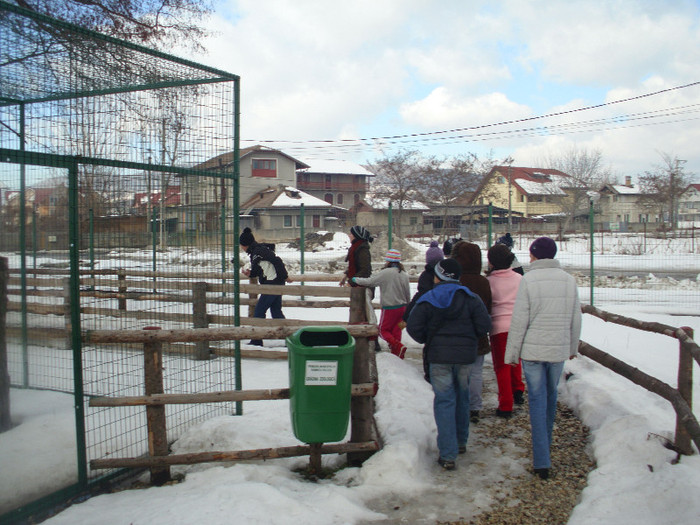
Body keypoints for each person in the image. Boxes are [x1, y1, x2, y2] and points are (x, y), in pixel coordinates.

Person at [505, 236, 582, 480]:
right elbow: (575, 317)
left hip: (532, 352)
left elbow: (519, 320)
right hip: (557, 349)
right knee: (550, 397)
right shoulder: (569, 281)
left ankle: (541, 460)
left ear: (535, 255)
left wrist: (512, 353)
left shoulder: (529, 280)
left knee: (537, 400)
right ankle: (545, 448)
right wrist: (572, 346)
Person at [406, 259, 492, 471]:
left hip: (439, 357)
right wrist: (469, 338)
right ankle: (461, 441)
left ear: (439, 276)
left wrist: (428, 338)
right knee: (462, 396)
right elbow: (484, 326)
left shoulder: (428, 298)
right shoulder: (471, 298)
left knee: (444, 401)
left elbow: (413, 326)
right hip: (465, 357)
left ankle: (448, 454)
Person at [450, 241, 492, 424]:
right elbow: (488, 308)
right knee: (476, 372)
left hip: (457, 336)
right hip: (478, 335)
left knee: (459, 374)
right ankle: (475, 407)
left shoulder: (454, 281)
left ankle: (461, 405)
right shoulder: (483, 282)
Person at [486, 243, 525, 419]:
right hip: (517, 326)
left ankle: (505, 405)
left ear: (491, 262)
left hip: (498, 328)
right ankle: (518, 390)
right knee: (515, 360)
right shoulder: (519, 279)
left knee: (501, 367)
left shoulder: (489, 282)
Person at [352, 249, 411, 358]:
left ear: (388, 261)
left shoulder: (385, 273)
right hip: (402, 308)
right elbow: (407, 293)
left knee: (382, 330)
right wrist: (408, 306)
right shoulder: (404, 274)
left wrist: (355, 280)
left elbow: (370, 281)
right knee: (396, 330)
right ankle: (397, 356)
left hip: (389, 308)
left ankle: (397, 345)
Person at [239, 227, 290, 346]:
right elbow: (260, 270)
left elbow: (277, 261)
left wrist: (285, 276)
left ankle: (256, 340)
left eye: (241, 245)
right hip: (275, 283)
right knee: (276, 312)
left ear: (244, 244)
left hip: (272, 285)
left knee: (259, 312)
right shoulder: (256, 252)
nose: (241, 248)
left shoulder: (258, 252)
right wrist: (250, 273)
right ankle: (290, 338)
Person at [402, 240, 444, 322]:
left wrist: (406, 316)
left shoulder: (426, 276)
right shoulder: (445, 275)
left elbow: (420, 294)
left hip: (429, 316)